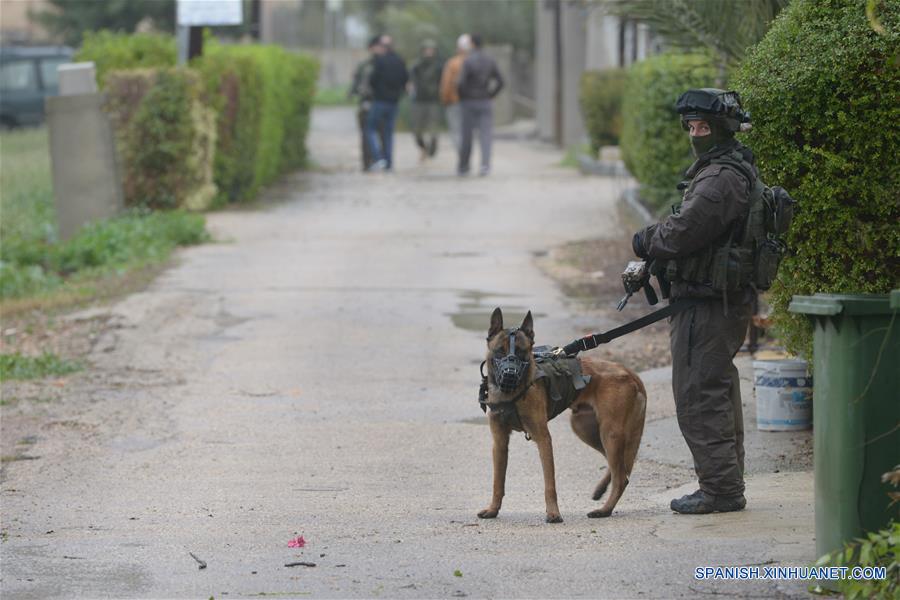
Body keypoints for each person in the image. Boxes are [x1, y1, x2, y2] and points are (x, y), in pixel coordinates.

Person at [631, 89, 757, 515]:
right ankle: (726, 483)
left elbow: (682, 232)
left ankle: (721, 490)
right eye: (691, 127)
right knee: (714, 389)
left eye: (703, 127)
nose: (695, 134)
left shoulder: (721, 178)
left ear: (722, 129)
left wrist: (645, 238)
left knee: (700, 395)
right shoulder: (723, 169)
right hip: (711, 301)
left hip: (708, 305)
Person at [456, 34, 504, 176]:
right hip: (485, 101)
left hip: (469, 102)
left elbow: (460, 83)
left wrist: (462, 97)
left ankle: (464, 166)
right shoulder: (490, 60)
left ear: (472, 44)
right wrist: (491, 95)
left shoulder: (468, 61)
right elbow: (501, 82)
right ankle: (485, 165)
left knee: (467, 135)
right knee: (486, 135)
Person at [365, 35, 408, 172]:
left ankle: (378, 158)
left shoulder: (380, 61)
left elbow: (372, 80)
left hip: (380, 101)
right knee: (389, 133)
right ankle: (389, 163)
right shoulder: (400, 61)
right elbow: (405, 80)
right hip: (394, 102)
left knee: (370, 129)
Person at [349, 36, 385, 171]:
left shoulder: (385, 64)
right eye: (376, 46)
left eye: (380, 46)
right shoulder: (364, 66)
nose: (379, 49)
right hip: (367, 103)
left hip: (381, 102)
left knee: (382, 134)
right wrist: (354, 92)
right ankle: (366, 162)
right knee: (366, 134)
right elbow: (356, 84)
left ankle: (381, 160)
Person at [408, 39, 444, 162]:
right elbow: (410, 82)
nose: (429, 52)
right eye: (427, 50)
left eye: (431, 50)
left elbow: (443, 82)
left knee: (434, 128)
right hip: (419, 101)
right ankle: (423, 148)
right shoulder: (416, 66)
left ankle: (431, 148)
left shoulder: (439, 66)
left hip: (434, 101)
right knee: (416, 130)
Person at [440, 34, 471, 153]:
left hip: (454, 101)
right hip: (470, 102)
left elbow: (446, 83)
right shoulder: (474, 62)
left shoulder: (453, 63)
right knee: (466, 131)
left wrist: (445, 99)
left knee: (456, 130)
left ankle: (462, 155)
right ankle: (466, 155)